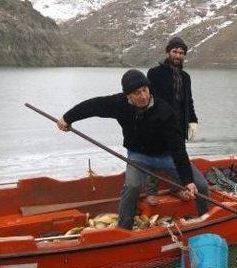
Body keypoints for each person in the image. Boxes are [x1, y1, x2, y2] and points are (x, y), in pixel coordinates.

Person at [57, 69, 209, 229]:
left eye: (145, 90)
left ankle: (205, 218)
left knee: (201, 185)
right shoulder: (119, 104)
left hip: (167, 156)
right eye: (137, 93)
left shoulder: (165, 111)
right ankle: (124, 228)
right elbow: (93, 106)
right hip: (139, 156)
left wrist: (188, 181)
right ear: (127, 95)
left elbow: (178, 149)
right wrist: (68, 118)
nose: (143, 96)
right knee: (132, 187)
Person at [144, 37, 199, 206]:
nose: (178, 55)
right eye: (175, 51)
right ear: (168, 52)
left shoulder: (186, 77)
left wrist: (193, 121)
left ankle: (176, 187)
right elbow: (148, 99)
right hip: (157, 123)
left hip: (178, 124)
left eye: (181, 53)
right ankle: (151, 192)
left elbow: (188, 101)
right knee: (153, 154)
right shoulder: (154, 73)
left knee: (178, 156)